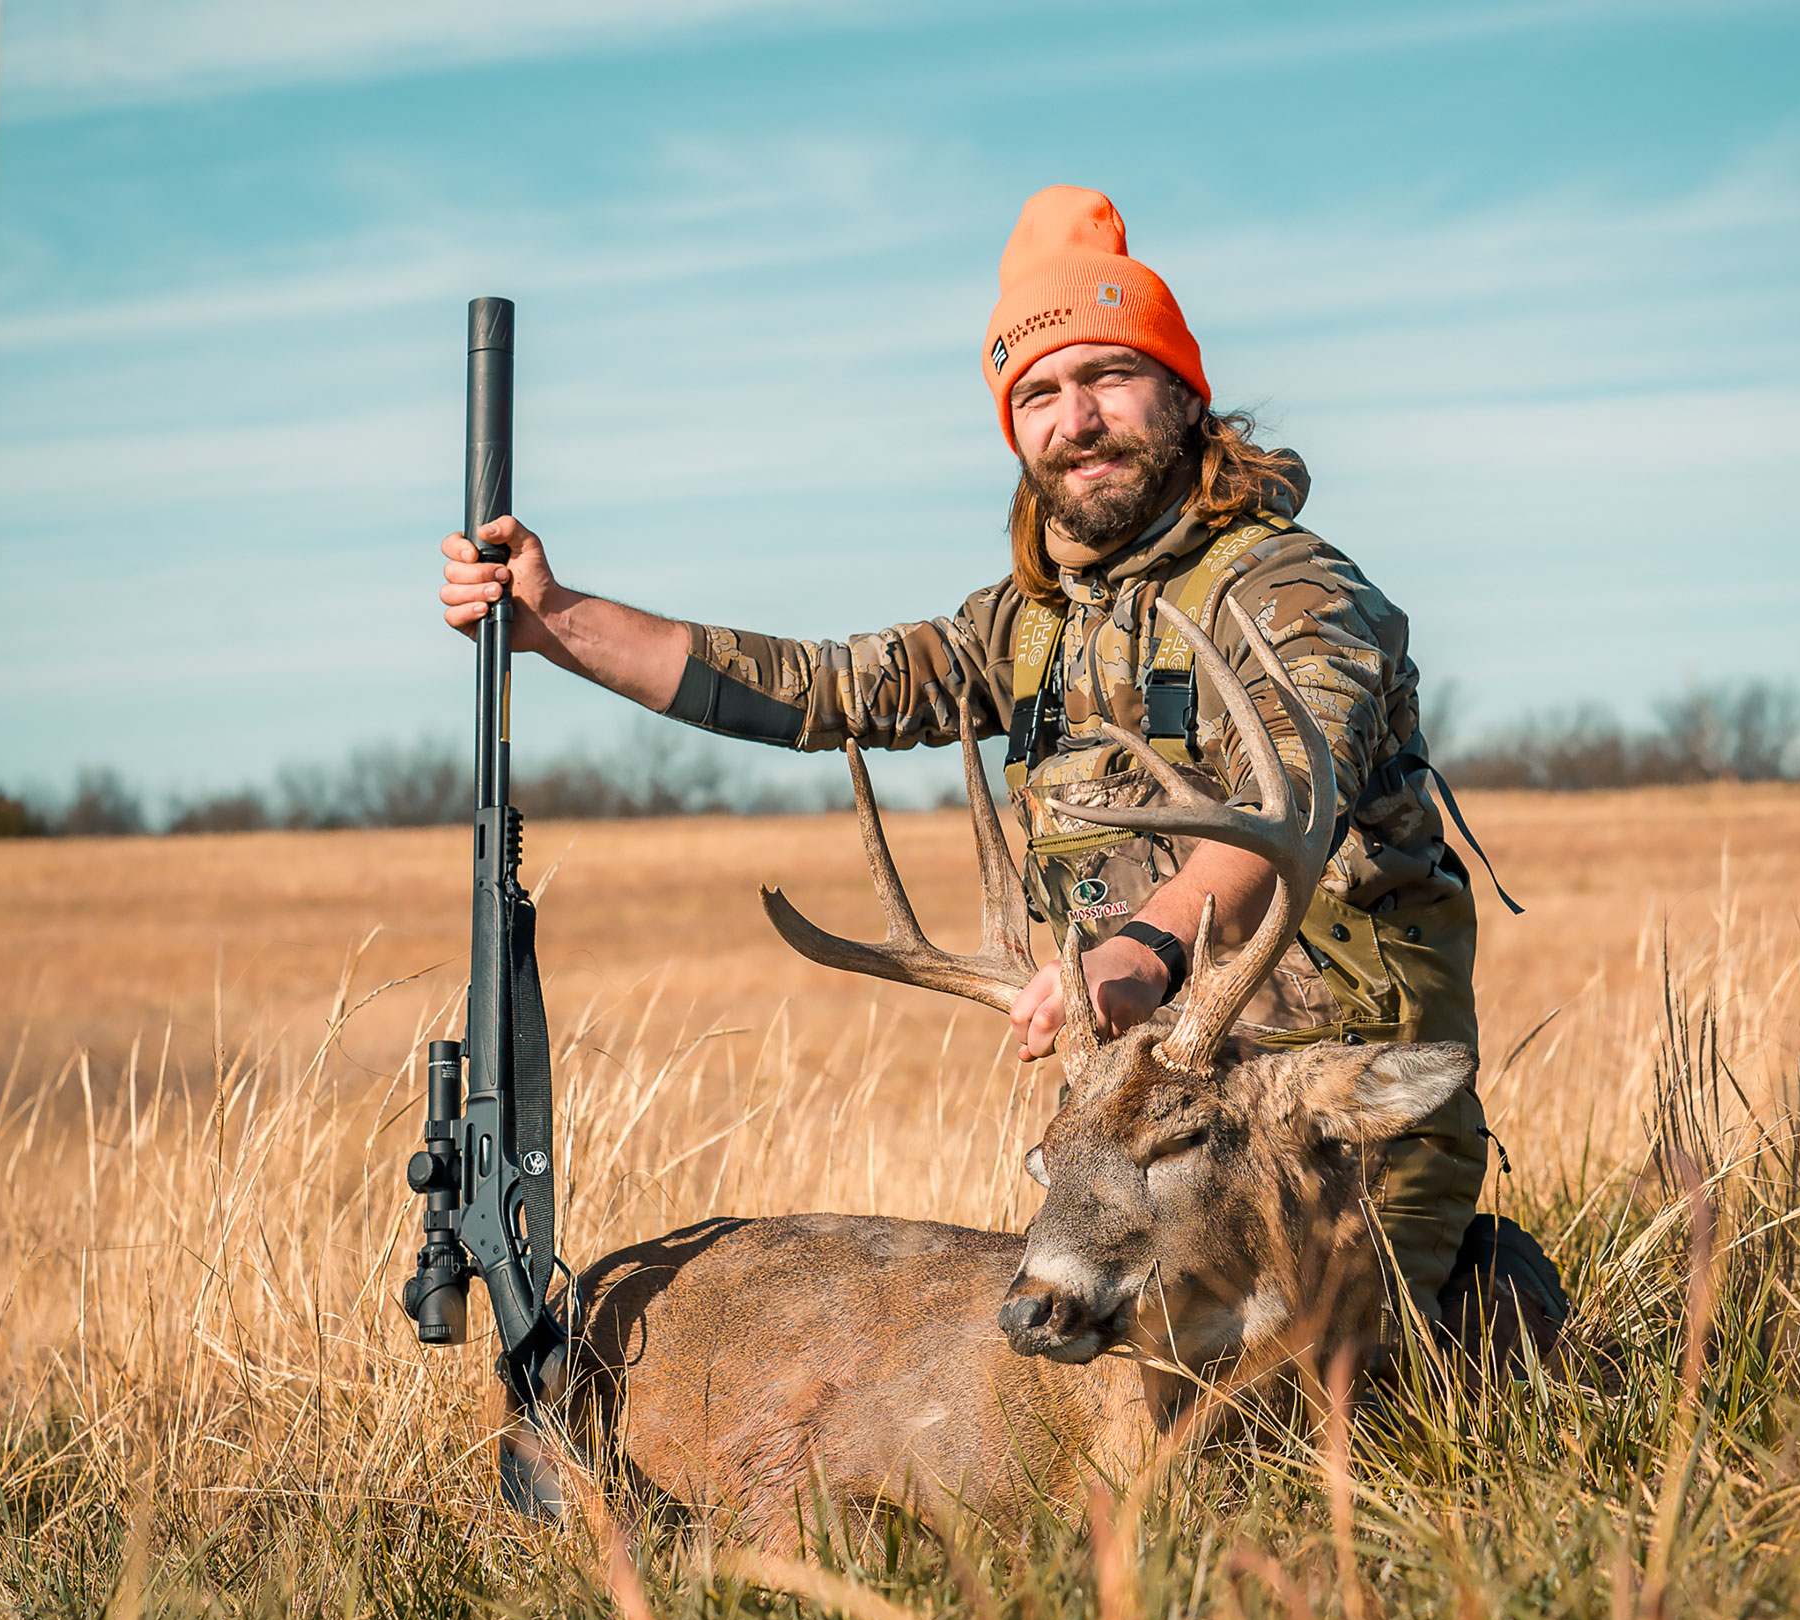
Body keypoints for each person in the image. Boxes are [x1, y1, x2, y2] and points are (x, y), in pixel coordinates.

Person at [438, 185, 1534, 1352]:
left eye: (1111, 375)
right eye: (1040, 393)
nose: (1079, 417)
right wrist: (558, 621)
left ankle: (1490, 1310)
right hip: (1131, 1125)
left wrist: (1144, 945)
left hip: (1319, 1118)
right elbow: (825, 690)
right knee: (1081, 1411)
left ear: (1183, 390)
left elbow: (1293, 806)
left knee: (1314, 1420)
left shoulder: (1295, 591)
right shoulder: (1025, 626)